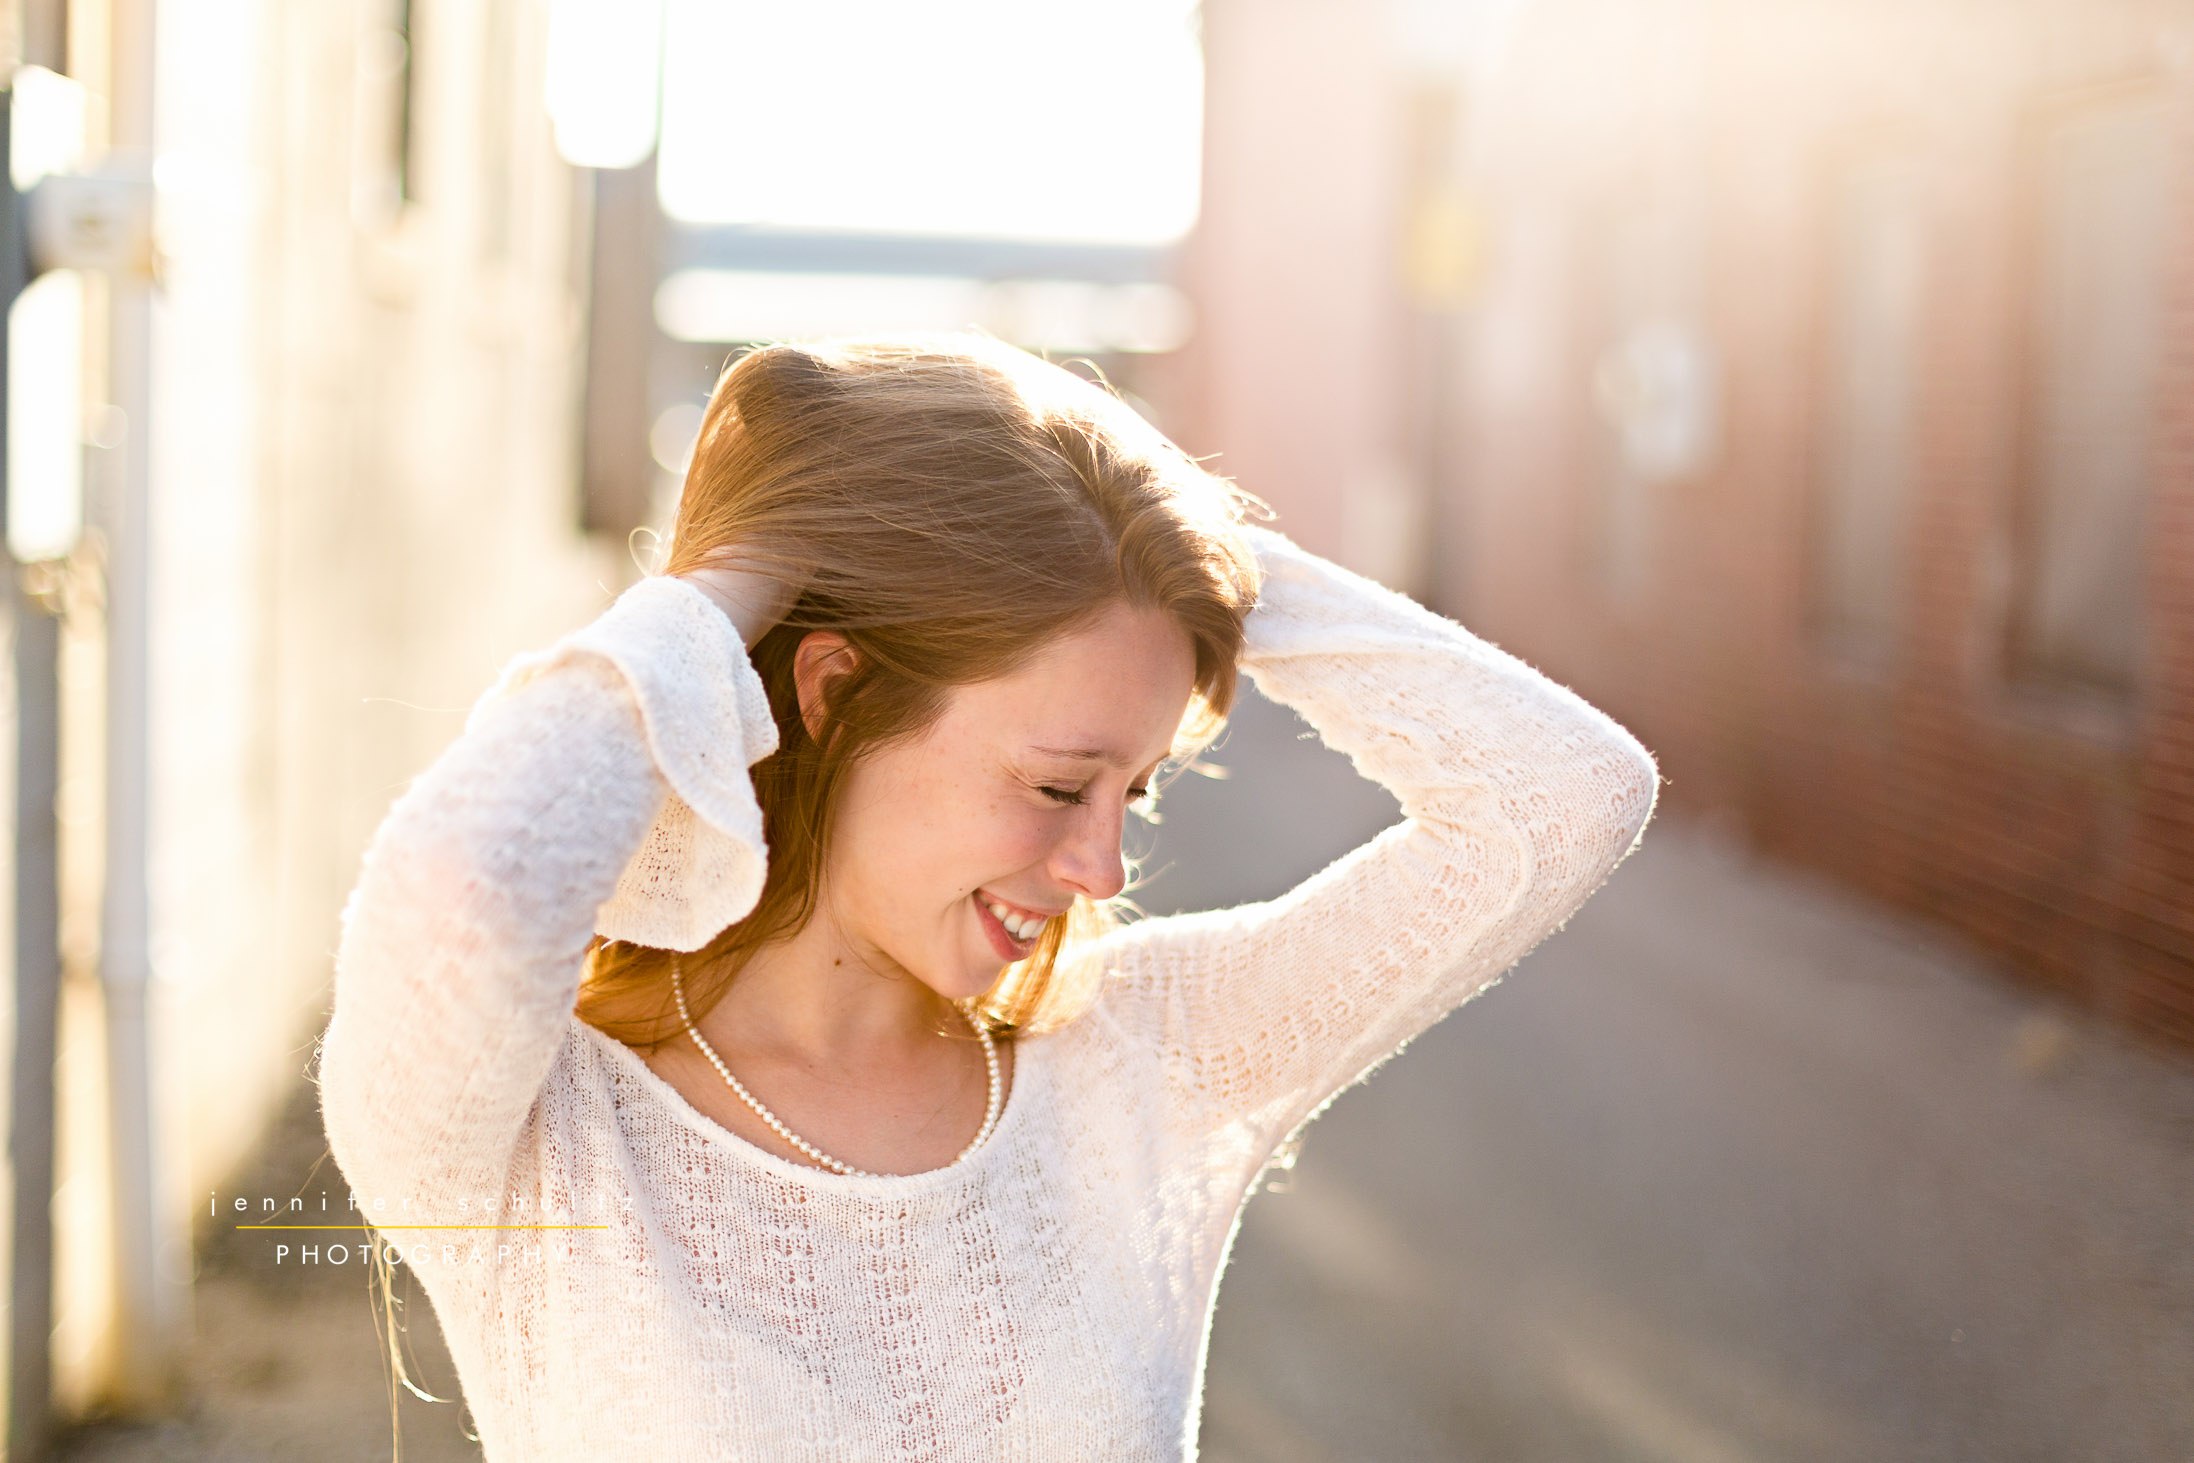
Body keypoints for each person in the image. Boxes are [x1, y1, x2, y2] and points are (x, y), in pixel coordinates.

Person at [316, 334, 1660, 1461]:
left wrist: (1155, 524)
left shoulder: (1146, 1062)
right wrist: (744, 569)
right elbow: (464, 889)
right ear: (834, 690)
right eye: (1057, 783)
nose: (1099, 871)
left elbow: (1562, 799)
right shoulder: (535, 1133)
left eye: (1131, 793)